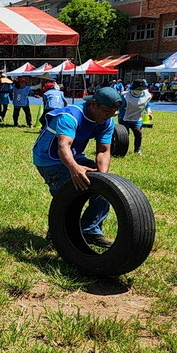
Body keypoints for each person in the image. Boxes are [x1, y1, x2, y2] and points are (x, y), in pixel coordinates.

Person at [32, 87, 122, 248]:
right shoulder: (69, 116)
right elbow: (63, 147)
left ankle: (90, 230)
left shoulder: (106, 121)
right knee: (68, 194)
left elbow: (103, 151)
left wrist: (103, 178)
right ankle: (56, 236)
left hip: (74, 155)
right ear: (93, 104)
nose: (109, 115)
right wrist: (74, 168)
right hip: (49, 159)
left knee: (106, 188)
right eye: (107, 111)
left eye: (113, 112)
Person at [118, 79, 153, 155]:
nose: (139, 90)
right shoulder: (125, 96)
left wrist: (149, 112)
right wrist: (115, 111)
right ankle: (121, 149)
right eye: (137, 89)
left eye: (141, 89)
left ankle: (137, 150)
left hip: (137, 119)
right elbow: (119, 106)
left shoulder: (147, 95)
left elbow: (147, 104)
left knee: (138, 133)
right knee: (124, 134)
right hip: (125, 118)